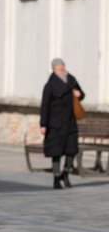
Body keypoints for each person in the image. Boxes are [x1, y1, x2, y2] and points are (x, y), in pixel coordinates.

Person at [40, 58, 84, 189]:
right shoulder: (50, 85)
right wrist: (43, 124)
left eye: (63, 65)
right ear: (54, 68)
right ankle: (56, 178)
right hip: (55, 123)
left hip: (70, 122)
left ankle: (66, 174)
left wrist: (79, 94)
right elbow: (45, 106)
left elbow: (81, 94)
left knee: (72, 150)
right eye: (59, 66)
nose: (62, 67)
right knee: (56, 152)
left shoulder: (71, 79)